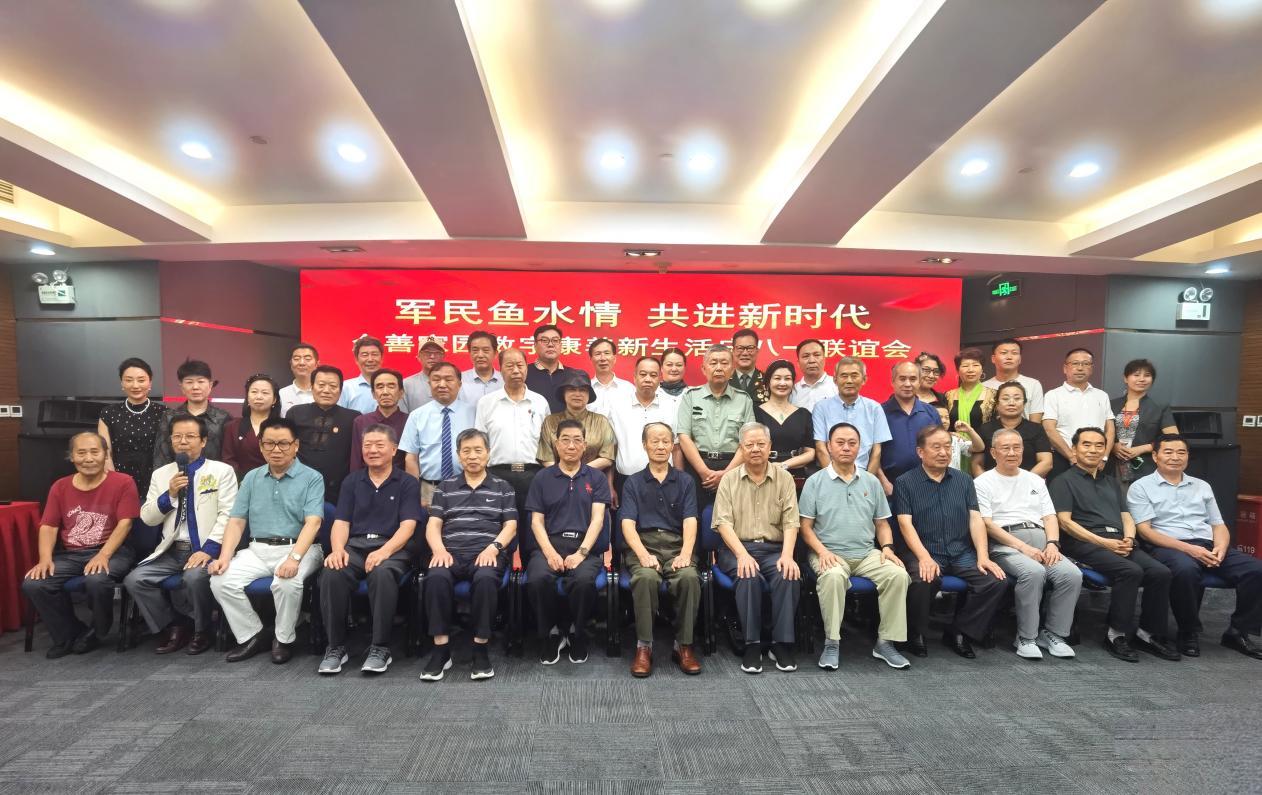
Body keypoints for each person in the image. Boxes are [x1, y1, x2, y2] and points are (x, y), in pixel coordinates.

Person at [1050, 427, 1178, 663]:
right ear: (1075, 449)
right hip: (1083, 543)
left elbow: (1126, 516)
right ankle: (1116, 635)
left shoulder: (1110, 482)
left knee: (1161, 572)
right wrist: (1104, 543)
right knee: (1130, 571)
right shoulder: (1062, 481)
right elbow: (1065, 523)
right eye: (1086, 444)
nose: (1093, 450)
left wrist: (1129, 538)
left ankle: (1147, 633)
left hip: (1119, 540)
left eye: (1099, 445)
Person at [1129, 434, 1262, 659]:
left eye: (1181, 452)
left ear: (1188, 456)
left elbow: (1218, 524)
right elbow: (1146, 532)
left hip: (1207, 544)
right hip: (1167, 546)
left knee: (1256, 570)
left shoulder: (1202, 486)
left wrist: (1220, 548)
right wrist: (1189, 549)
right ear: (1155, 456)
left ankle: (1238, 631)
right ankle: (1188, 630)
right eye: (1168, 452)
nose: (1175, 457)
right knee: (1186, 569)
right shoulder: (1141, 487)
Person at [209, 417, 326, 664]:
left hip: (300, 548)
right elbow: (236, 521)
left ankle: (283, 639)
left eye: (283, 443)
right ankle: (254, 635)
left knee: (287, 583)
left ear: (296, 445)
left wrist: (294, 558)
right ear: (261, 446)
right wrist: (224, 557)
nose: (276, 449)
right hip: (257, 549)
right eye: (269, 443)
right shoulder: (251, 478)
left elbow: (313, 523)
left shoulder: (312, 477)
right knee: (220, 580)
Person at [798, 422, 911, 671]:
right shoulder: (815, 482)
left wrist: (888, 548)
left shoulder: (871, 481)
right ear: (829, 446)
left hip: (866, 553)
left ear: (860, 447)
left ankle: (885, 643)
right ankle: (832, 643)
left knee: (898, 575)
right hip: (827, 552)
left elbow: (882, 524)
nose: (846, 448)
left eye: (852, 443)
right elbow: (805, 527)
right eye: (840, 443)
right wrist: (822, 552)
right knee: (833, 577)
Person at [893, 426, 1009, 659]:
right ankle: (915, 633)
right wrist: (924, 557)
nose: (944, 452)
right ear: (920, 452)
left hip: (960, 551)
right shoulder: (905, 482)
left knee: (995, 581)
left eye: (947, 446)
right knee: (924, 578)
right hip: (924, 549)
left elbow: (975, 519)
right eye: (936, 447)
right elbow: (905, 523)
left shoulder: (964, 480)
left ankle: (959, 631)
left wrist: (983, 556)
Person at [127, 413, 237, 656]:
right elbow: (148, 517)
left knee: (194, 578)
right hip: (171, 550)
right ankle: (175, 625)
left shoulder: (221, 471)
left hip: (205, 548)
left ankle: (202, 630)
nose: (183, 441)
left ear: (203, 441)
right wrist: (169, 495)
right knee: (135, 580)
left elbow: (228, 515)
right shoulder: (161, 474)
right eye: (177, 436)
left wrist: (208, 550)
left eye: (190, 436)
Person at [22, 432, 138, 658]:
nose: (88, 458)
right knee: (34, 583)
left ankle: (97, 631)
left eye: (95, 452)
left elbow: (125, 524)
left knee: (96, 579)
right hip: (72, 555)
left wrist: (103, 555)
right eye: (81, 453)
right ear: (72, 457)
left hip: (113, 551)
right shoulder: (60, 486)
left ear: (106, 455)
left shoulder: (123, 482)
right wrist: (45, 559)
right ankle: (69, 633)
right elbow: (49, 526)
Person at [318, 424, 420, 676]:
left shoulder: (407, 482)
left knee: (382, 573)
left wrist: (385, 551)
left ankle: (380, 647)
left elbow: (408, 526)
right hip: (356, 546)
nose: (372, 450)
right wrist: (337, 549)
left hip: (393, 547)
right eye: (367, 445)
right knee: (332, 572)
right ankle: (335, 647)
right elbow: (341, 522)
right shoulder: (352, 481)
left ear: (394, 449)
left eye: (379, 445)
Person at [975, 428, 1081, 660]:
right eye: (1005, 448)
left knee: (1071, 575)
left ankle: (1053, 634)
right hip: (1006, 545)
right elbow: (988, 524)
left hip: (1042, 542)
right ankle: (1026, 637)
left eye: (1017, 447)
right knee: (1033, 573)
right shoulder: (983, 482)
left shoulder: (1034, 480)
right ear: (993, 452)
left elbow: (1049, 516)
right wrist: (1023, 548)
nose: (1012, 453)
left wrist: (1052, 543)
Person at [420, 429, 518, 681]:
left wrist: (493, 548)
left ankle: (480, 648)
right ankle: (441, 650)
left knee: (485, 579)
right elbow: (433, 524)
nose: (472, 456)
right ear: (458, 455)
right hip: (450, 552)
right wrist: (439, 550)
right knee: (435, 577)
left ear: (488, 453)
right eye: (466, 451)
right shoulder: (445, 487)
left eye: (478, 450)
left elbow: (510, 526)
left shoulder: (503, 487)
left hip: (487, 552)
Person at [713, 422, 801, 674]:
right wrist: (742, 555)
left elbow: (791, 521)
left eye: (761, 444)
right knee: (748, 574)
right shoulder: (729, 479)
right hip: (736, 549)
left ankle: (781, 643)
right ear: (741, 448)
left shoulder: (784, 478)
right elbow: (722, 523)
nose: (755, 449)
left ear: (770, 446)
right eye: (749, 445)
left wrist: (788, 556)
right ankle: (752, 644)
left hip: (774, 550)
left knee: (788, 574)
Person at [524, 419, 611, 665]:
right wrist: (550, 553)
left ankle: (576, 631)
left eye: (577, 440)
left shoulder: (597, 478)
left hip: (585, 546)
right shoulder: (542, 478)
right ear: (556, 444)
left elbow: (598, 520)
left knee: (583, 581)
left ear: (584, 445)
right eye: (565, 440)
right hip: (549, 544)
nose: (571, 446)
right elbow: (536, 522)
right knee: (538, 578)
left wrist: (581, 553)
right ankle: (551, 632)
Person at [621, 421, 702, 677]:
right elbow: (627, 524)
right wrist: (643, 555)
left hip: (677, 544)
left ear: (672, 446)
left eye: (665, 441)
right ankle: (644, 646)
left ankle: (683, 645)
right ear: (644, 445)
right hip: (644, 544)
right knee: (645, 577)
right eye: (654, 441)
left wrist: (686, 553)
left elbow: (690, 520)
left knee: (688, 577)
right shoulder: (633, 482)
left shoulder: (685, 481)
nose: (660, 446)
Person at [476, 347, 550, 522]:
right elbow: (480, 442)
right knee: (499, 526)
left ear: (526, 368)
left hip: (533, 475)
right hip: (497, 475)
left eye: (520, 365)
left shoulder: (540, 402)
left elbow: (548, 442)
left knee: (532, 527)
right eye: (510, 366)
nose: (516, 370)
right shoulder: (487, 403)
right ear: (500, 369)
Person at [677, 344, 754, 510]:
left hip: (733, 467)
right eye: (713, 363)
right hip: (697, 467)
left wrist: (726, 474)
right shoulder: (690, 397)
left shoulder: (744, 400)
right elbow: (684, 437)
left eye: (724, 363)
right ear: (704, 369)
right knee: (693, 516)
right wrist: (703, 472)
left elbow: (748, 441)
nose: (719, 368)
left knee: (734, 517)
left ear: (732, 370)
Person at [606, 356, 681, 498]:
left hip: (664, 480)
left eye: (653, 375)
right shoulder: (617, 406)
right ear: (634, 377)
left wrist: (679, 482)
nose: (648, 379)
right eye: (643, 374)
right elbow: (610, 449)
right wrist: (609, 485)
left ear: (660, 378)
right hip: (625, 479)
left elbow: (676, 448)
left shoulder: (671, 406)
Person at [401, 362, 475, 506]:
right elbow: (411, 458)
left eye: (448, 379)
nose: (442, 384)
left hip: (468, 486)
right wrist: (415, 492)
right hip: (429, 489)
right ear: (429, 384)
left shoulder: (474, 412)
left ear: (459, 384)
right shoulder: (417, 415)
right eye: (436, 379)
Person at [289, 365, 361, 504]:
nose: (326, 390)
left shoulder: (353, 418)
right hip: (299, 488)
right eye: (321, 385)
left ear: (340, 390)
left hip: (338, 491)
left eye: (333, 386)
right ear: (312, 387)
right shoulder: (296, 413)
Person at [99, 357, 168, 499]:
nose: (135, 385)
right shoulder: (109, 413)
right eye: (129, 380)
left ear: (150, 383)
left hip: (156, 479)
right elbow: (105, 452)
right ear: (122, 383)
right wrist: (113, 480)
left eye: (141, 380)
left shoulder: (164, 413)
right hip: (120, 479)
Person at [811, 356, 891, 473]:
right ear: (835, 380)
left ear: (864, 379)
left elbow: (877, 451)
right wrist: (832, 477)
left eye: (854, 376)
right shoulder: (821, 407)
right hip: (830, 473)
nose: (849, 381)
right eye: (844, 376)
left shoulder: (874, 408)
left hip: (863, 473)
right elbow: (820, 448)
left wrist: (866, 480)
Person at [1043, 347, 1114, 478]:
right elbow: (1049, 429)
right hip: (1063, 460)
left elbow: (1110, 429)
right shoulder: (1053, 395)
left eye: (1086, 364)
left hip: (1098, 461)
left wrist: (1104, 457)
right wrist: (1072, 457)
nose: (1080, 368)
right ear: (1065, 368)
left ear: (1091, 368)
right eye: (1075, 363)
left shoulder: (1102, 395)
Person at [1111, 358, 1178, 486]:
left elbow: (1173, 438)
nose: (1141, 379)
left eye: (1147, 375)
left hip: (1144, 465)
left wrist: (1142, 449)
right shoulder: (1111, 404)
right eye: (1136, 375)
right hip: (1112, 465)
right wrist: (1113, 446)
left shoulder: (1159, 406)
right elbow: (1102, 432)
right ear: (1125, 378)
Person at [878, 361, 940, 496]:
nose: (907, 384)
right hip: (890, 488)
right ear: (893, 381)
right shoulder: (879, 412)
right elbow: (872, 452)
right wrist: (883, 482)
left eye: (913, 379)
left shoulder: (931, 412)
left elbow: (939, 449)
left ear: (919, 382)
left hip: (928, 486)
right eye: (902, 379)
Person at [153, 359, 231, 466]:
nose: (195, 387)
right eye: (189, 382)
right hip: (177, 475)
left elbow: (228, 457)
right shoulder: (169, 417)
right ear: (182, 387)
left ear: (210, 385)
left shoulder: (223, 418)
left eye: (201, 382)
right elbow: (161, 456)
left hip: (214, 476)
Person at [536, 370, 616, 472]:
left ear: (589, 394)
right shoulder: (550, 421)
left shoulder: (601, 422)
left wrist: (579, 472)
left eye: (582, 390)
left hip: (593, 477)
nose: (577, 394)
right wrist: (563, 473)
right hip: (557, 477)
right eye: (572, 389)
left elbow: (607, 457)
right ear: (564, 393)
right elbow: (546, 456)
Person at [974, 381, 1052, 477]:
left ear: (1024, 404)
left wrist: (1024, 481)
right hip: (991, 484)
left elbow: (1046, 462)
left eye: (1017, 398)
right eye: (1005, 399)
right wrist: (988, 483)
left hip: (1026, 483)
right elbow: (977, 464)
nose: (1011, 403)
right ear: (997, 404)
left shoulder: (1036, 429)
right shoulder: (984, 429)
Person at [753, 360, 815, 478]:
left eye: (787, 379)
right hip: (762, 473)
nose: (782, 383)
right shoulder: (754, 412)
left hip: (795, 475)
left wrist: (783, 465)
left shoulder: (804, 414)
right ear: (768, 382)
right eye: (777, 378)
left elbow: (810, 452)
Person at [222, 373, 280, 479]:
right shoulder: (232, 427)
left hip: (275, 481)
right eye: (254, 392)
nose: (259, 396)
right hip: (241, 482)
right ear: (247, 397)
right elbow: (228, 460)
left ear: (274, 399)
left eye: (265, 393)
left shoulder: (283, 427)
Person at [349, 369, 408, 471]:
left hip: (400, 479)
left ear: (401, 393)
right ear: (373, 394)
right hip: (366, 478)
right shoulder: (360, 421)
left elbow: (411, 459)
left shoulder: (410, 421)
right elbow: (356, 460)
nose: (385, 392)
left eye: (391, 386)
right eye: (380, 387)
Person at [983, 339, 1044, 422]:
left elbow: (1035, 423)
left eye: (1014, 353)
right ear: (993, 358)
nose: (1009, 357)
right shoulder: (983, 386)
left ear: (1020, 359)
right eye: (1003, 353)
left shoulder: (1033, 384)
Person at [945, 347, 996, 429]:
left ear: (982, 369)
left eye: (975, 365)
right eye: (965, 366)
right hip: (954, 437)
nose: (970, 370)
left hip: (984, 437)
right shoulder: (948, 396)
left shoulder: (994, 395)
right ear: (958, 370)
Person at [525, 324, 569, 413]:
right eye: (544, 340)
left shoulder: (573, 375)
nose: (550, 344)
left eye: (555, 340)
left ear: (561, 345)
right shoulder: (524, 373)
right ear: (535, 345)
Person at [338, 335, 385, 414]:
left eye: (374, 354)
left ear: (382, 358)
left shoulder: (393, 386)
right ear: (356, 359)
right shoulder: (346, 388)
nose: (370, 359)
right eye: (365, 355)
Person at [587, 337, 635, 414]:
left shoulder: (628, 388)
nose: (603, 358)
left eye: (607, 353)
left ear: (614, 358)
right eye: (598, 354)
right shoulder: (586, 389)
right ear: (591, 359)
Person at [790, 338, 837, 411]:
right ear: (798, 363)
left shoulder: (837, 386)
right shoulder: (792, 391)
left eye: (817, 355)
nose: (812, 360)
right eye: (806, 356)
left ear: (824, 359)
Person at [402, 336, 446, 411]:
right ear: (419, 357)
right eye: (427, 352)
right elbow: (403, 415)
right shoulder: (406, 384)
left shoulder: (452, 383)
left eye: (437, 353)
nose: (432, 356)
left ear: (443, 356)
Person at [932, 407, 984, 471]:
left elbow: (979, 447)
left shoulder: (955, 439)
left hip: (954, 477)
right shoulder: (925, 441)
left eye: (947, 417)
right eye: (940, 417)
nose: (944, 421)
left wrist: (970, 430)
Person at [459, 330, 502, 403]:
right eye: (475, 350)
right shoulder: (459, 380)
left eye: (486, 350)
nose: (480, 355)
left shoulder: (505, 380)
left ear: (495, 353)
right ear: (470, 353)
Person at [730, 328, 769, 404]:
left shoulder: (767, 381)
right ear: (733, 351)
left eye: (750, 348)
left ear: (757, 351)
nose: (745, 353)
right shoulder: (724, 381)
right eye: (740, 348)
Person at [279, 343, 318, 417]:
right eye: (296, 359)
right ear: (291, 364)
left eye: (307, 359)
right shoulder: (281, 394)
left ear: (317, 364)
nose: (301, 363)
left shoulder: (324, 393)